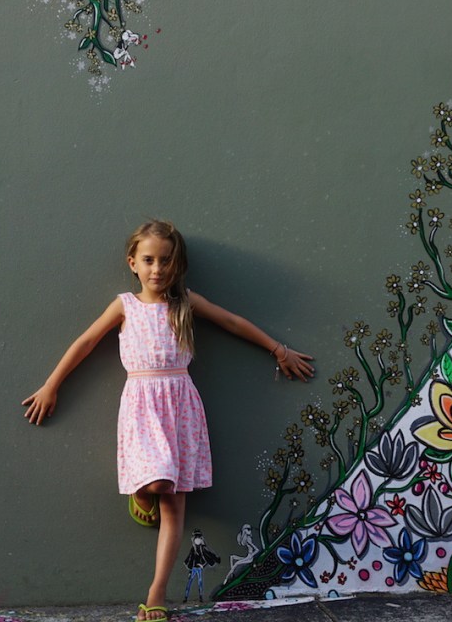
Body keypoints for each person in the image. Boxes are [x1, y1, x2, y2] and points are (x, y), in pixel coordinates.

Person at [22, 219, 313, 621]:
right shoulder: (125, 305)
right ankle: (141, 498)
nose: (157, 269)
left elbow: (231, 321)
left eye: (166, 261)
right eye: (149, 260)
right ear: (133, 263)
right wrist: (51, 385)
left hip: (180, 404)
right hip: (142, 403)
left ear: (177, 265)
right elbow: (86, 341)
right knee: (156, 482)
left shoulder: (185, 303)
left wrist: (278, 350)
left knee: (175, 503)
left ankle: (156, 592)